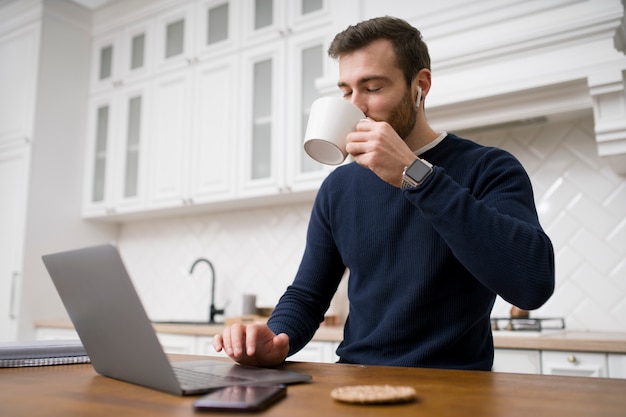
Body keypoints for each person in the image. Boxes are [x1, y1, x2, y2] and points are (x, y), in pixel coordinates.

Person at [214, 16, 555, 371]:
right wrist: (277, 338)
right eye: (346, 91)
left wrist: (415, 175)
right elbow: (307, 295)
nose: (355, 105)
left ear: (420, 85)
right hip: (355, 380)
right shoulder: (339, 187)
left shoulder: (489, 168)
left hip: (456, 387)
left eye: (373, 88)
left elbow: (532, 285)